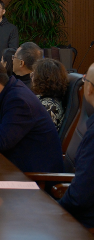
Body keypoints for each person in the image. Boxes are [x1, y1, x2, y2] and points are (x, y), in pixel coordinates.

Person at [59, 63, 94, 228]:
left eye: (85, 79)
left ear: (89, 89)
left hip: (83, 224)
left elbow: (79, 196)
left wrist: (52, 210)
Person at [32, 58, 68, 130]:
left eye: (34, 75)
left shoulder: (50, 107)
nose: (32, 78)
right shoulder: (45, 98)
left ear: (42, 79)